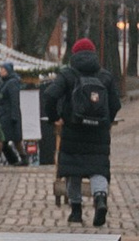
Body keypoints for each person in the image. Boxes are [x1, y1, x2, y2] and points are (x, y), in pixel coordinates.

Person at [49, 34, 120, 226]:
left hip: (73, 130)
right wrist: (106, 121)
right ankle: (100, 198)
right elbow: (115, 103)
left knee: (74, 171)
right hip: (98, 134)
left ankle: (76, 211)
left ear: (74, 54)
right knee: (98, 169)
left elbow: (50, 95)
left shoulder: (67, 75)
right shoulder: (105, 76)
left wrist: (55, 117)